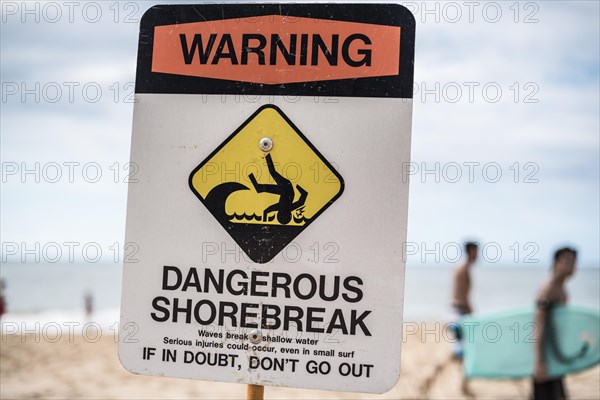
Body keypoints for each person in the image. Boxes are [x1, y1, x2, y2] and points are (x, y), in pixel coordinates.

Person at [532, 247, 577, 400]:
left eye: (574, 261)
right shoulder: (549, 289)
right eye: (566, 261)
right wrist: (539, 362)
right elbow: (538, 326)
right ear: (555, 263)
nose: (571, 266)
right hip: (546, 358)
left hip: (554, 357)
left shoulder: (561, 288)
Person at [448, 241, 479, 360]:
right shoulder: (464, 269)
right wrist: (472, 312)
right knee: (461, 350)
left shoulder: (460, 267)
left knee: (459, 345)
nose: (478, 255)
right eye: (476, 252)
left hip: (454, 310)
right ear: (471, 251)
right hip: (459, 310)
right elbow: (463, 297)